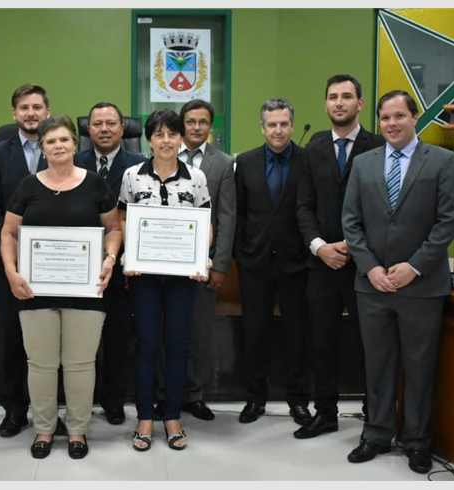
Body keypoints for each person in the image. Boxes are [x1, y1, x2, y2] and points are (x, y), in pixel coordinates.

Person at [342, 90, 454, 474]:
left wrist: (414, 266)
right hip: (372, 286)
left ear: (415, 118)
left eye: (399, 116)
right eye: (385, 118)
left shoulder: (442, 161)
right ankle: (376, 435)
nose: (392, 124)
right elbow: (351, 222)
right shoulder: (363, 164)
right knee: (377, 365)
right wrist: (371, 267)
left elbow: (449, 221)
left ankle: (416, 441)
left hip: (421, 287)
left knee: (419, 367)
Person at [0, 115, 122, 459]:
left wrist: (110, 258)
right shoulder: (28, 186)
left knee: (81, 363)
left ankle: (77, 430)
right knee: (40, 364)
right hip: (35, 291)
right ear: (42, 147)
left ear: (74, 144)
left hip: (85, 290)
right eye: (51, 141)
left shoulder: (96, 184)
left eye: (65, 140)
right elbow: (8, 232)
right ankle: (44, 428)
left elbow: (113, 228)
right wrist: (11, 271)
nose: (58, 146)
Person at [294, 75, 385, 439]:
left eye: (347, 96)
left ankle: (374, 415)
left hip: (367, 265)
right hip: (322, 262)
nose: (339, 103)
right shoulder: (313, 149)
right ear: (326, 103)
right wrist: (320, 246)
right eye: (333, 97)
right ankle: (326, 413)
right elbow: (303, 206)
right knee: (322, 341)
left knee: (371, 342)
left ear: (360, 103)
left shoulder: (378, 145)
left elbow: (384, 207)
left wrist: (354, 247)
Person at [119, 109, 211, 451]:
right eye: (158, 134)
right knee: (144, 344)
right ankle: (145, 416)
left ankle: (172, 416)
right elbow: (123, 219)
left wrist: (202, 257)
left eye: (172, 133)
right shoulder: (132, 175)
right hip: (143, 276)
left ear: (181, 137)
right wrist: (130, 255)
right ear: (149, 140)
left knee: (176, 345)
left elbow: (206, 222)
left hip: (181, 277)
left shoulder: (196, 177)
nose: (166, 140)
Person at [0, 83, 59, 438]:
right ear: (14, 114)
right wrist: (11, 251)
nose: (31, 113)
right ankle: (14, 410)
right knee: (12, 338)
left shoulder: (62, 150)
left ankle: (52, 411)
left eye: (37, 107)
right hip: (12, 264)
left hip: (56, 265)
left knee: (52, 341)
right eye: (24, 107)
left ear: (47, 112)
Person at [155, 99, 235, 422]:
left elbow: (227, 217)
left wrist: (220, 264)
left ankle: (194, 395)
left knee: (198, 332)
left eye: (203, 122)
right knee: (165, 332)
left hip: (202, 266)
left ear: (210, 126)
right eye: (191, 122)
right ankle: (164, 395)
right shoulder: (161, 158)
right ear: (180, 126)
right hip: (162, 263)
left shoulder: (223, 163)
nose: (197, 127)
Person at [233, 99, 311, 427]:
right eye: (271, 125)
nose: (277, 130)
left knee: (297, 334)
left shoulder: (308, 160)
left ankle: (298, 401)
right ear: (262, 127)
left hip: (297, 263)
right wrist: (241, 253)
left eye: (283, 124)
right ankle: (255, 399)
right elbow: (238, 211)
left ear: (292, 126)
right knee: (255, 334)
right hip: (256, 263)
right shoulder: (246, 162)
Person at [75, 102, 144, 426]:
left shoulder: (140, 165)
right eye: (97, 123)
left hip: (121, 271)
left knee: (117, 339)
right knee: (79, 341)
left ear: (123, 129)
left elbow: (144, 220)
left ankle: (113, 401)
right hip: (77, 266)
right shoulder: (72, 162)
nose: (104, 128)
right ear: (87, 130)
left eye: (111, 123)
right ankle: (79, 402)